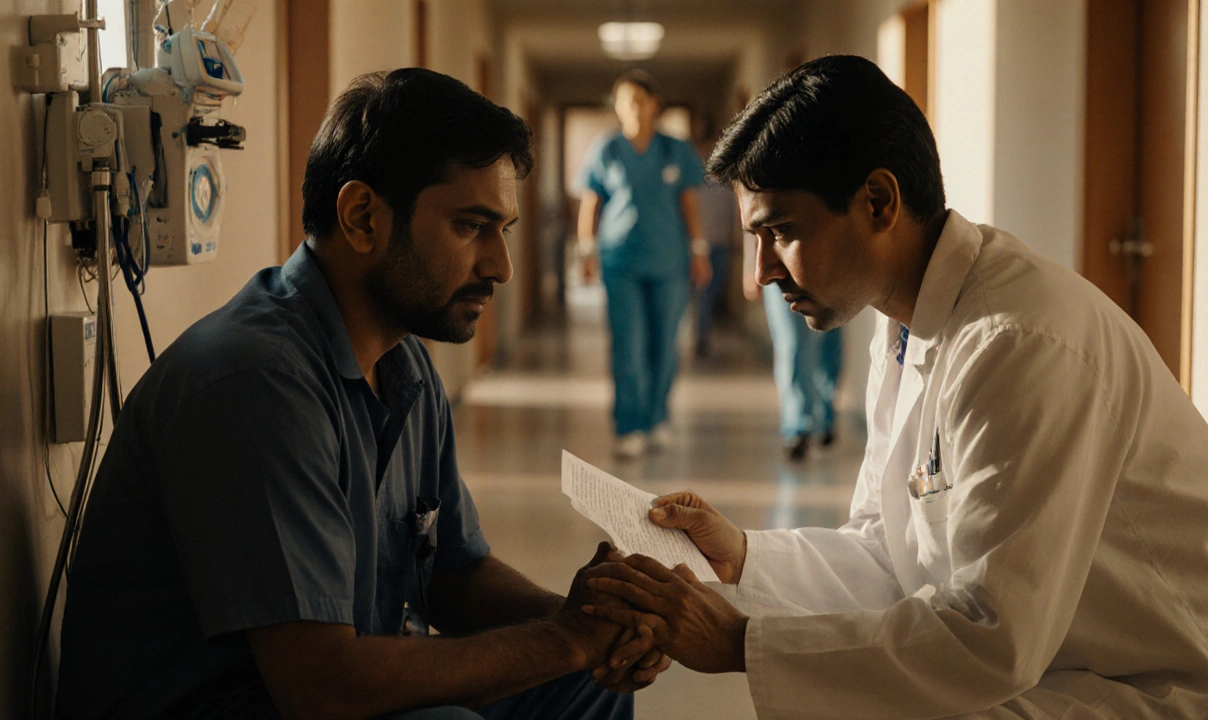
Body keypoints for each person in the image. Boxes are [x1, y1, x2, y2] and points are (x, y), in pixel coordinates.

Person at [579, 55, 1208, 719]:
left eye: (782, 232)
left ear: (879, 201)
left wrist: (737, 643)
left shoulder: (1018, 341)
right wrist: (739, 555)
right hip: (1074, 668)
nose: (761, 271)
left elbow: (989, 636)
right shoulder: (914, 321)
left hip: (1181, 688)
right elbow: (888, 552)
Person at [56, 69, 667, 720]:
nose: (500, 268)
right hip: (227, 700)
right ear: (361, 218)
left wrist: (587, 622)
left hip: (319, 682)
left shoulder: (405, 365)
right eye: (469, 227)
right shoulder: (255, 383)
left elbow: (454, 576)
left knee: (584, 681)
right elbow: (321, 688)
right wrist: (560, 640)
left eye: (503, 231)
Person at [575, 69, 712, 459]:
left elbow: (689, 203)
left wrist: (699, 251)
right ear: (616, 108)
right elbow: (591, 204)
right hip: (621, 262)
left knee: (665, 346)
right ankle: (629, 425)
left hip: (669, 261)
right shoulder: (607, 149)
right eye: (624, 100)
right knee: (628, 346)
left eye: (639, 99)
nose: (632, 107)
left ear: (655, 105)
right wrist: (586, 252)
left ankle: (657, 418)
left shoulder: (675, 150)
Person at [744, 233, 844, 461]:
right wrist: (751, 266)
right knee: (792, 345)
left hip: (831, 264)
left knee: (829, 345)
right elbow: (753, 219)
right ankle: (798, 426)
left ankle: (824, 417)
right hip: (781, 268)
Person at [693, 136, 738, 359]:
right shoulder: (694, 187)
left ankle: (703, 332)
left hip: (721, 246)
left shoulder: (726, 186)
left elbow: (735, 217)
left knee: (713, 292)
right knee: (703, 294)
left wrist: (734, 240)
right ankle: (701, 336)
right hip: (700, 248)